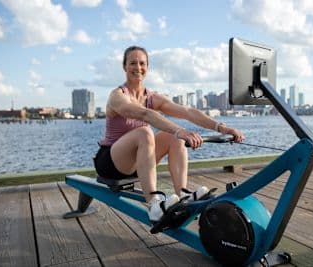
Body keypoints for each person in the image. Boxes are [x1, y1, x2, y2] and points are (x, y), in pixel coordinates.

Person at [94, 46, 245, 223]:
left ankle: (183, 193)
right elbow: (145, 114)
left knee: (174, 138)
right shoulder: (117, 96)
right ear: (124, 67)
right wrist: (180, 130)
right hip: (111, 162)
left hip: (138, 163)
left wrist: (222, 128)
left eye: (142, 63)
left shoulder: (152, 97)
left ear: (147, 67)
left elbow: (188, 111)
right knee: (145, 132)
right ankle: (154, 205)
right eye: (132, 63)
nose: (138, 67)